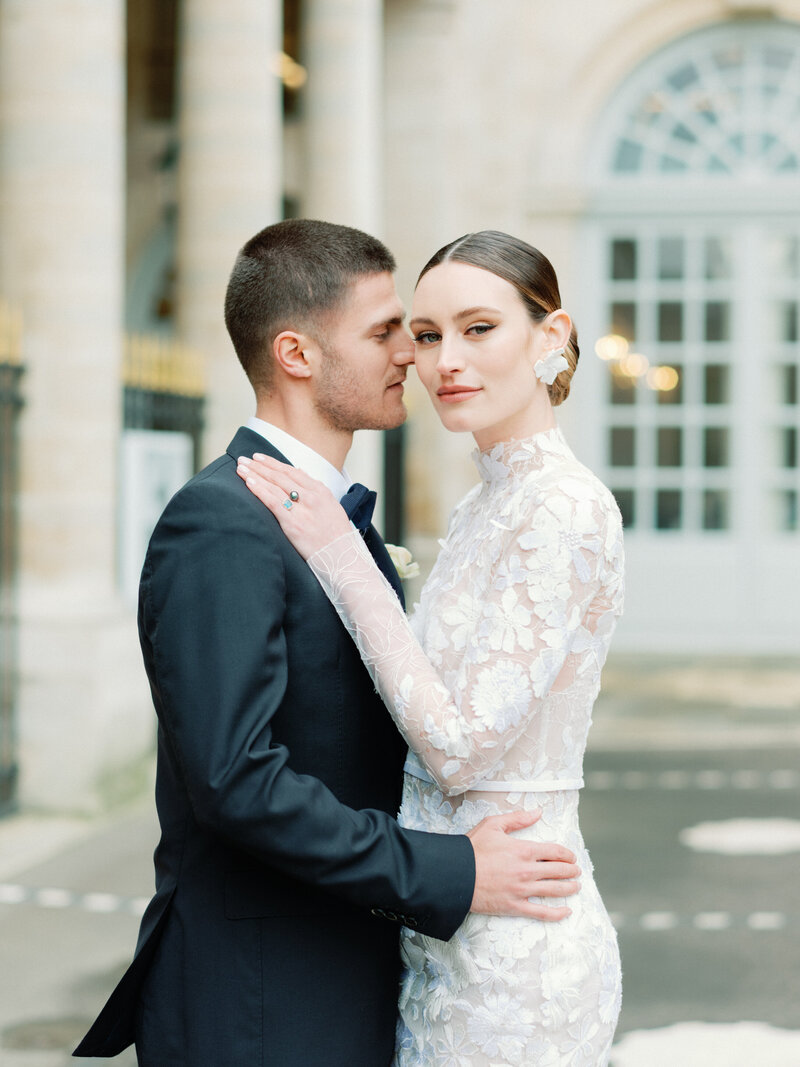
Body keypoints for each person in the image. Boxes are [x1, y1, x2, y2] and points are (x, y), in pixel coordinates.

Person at [74, 220, 581, 1066]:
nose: (413, 357)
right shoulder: (222, 522)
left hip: (346, 966)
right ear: (299, 355)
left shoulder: (321, 518)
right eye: (388, 332)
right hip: (266, 998)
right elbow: (236, 781)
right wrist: (448, 869)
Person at [237, 229, 625, 1065]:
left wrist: (343, 558)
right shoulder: (484, 504)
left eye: (479, 328)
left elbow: (459, 745)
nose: (446, 358)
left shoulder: (564, 508)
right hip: (444, 931)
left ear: (550, 336)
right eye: (427, 333)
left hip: (520, 953)